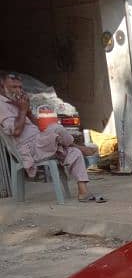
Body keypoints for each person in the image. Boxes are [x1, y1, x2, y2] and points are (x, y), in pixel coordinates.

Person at [0, 71, 103, 202]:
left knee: (74, 152)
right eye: (14, 87)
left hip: (40, 143)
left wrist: (29, 112)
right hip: (28, 149)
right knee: (56, 128)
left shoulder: (18, 102)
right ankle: (79, 146)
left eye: (20, 87)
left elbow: (38, 127)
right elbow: (16, 131)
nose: (18, 90)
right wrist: (22, 110)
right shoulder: (2, 106)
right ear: (2, 87)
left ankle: (83, 191)